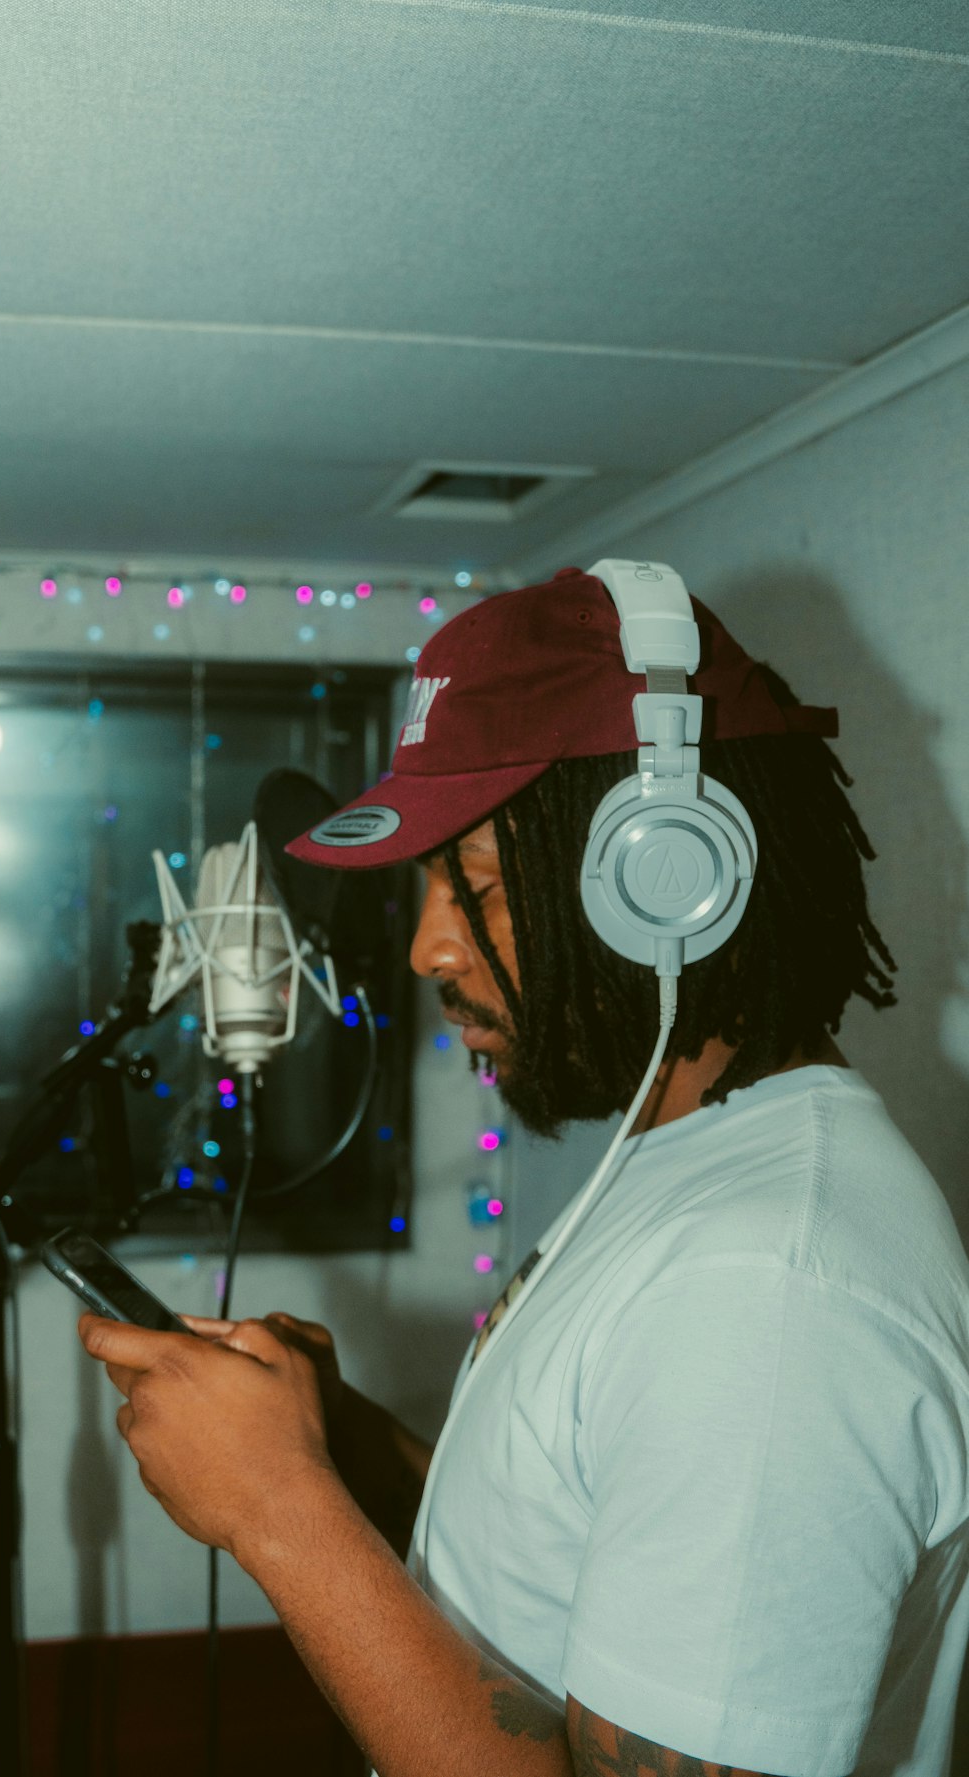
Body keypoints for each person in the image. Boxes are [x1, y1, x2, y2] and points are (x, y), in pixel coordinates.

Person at [80, 566, 969, 1777]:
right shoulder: (692, 1167)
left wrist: (279, 1508)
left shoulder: (767, 1291)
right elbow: (560, 1559)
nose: (426, 944)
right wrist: (336, 1444)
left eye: (478, 885)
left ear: (670, 882)